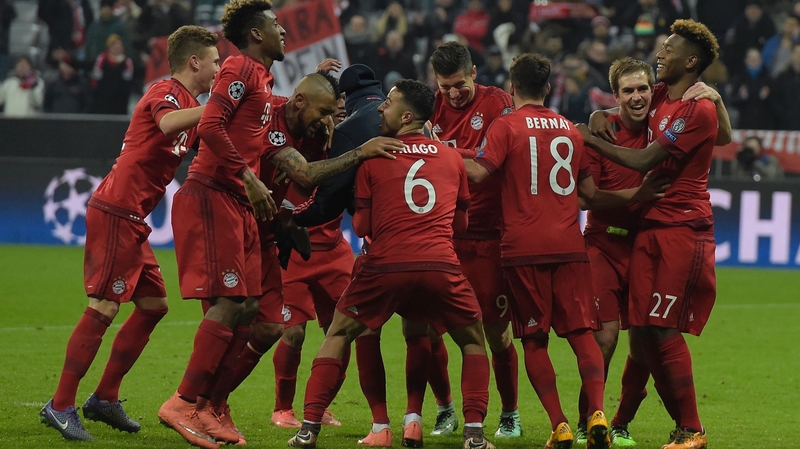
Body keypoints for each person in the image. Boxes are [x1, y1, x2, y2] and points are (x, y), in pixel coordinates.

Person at [463, 53, 670, 449]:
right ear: (546, 88)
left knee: (535, 341)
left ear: (511, 87)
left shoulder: (505, 126)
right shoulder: (570, 130)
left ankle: (559, 424)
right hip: (571, 246)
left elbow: (477, 172)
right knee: (582, 336)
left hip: (522, 249)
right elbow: (589, 195)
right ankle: (595, 411)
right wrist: (637, 192)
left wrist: (437, 152)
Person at [287, 78, 496, 449]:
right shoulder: (453, 159)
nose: (381, 109)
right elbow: (460, 225)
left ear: (407, 116)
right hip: (439, 265)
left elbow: (363, 227)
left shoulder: (373, 159)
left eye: (389, 103)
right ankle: (472, 435)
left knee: (340, 334)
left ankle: (310, 429)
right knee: (472, 342)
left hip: (384, 265)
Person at [38, 25, 220, 441]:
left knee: (154, 305)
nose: (217, 71)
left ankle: (104, 398)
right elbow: (171, 122)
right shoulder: (167, 93)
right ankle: (61, 404)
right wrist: (220, 107)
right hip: (116, 210)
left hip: (134, 218)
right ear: (194, 62)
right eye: (213, 63)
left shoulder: (194, 104)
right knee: (103, 307)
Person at [209, 71, 401, 442]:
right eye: (329, 110)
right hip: (294, 248)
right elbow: (294, 137)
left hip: (332, 249)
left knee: (344, 330)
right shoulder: (302, 137)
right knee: (291, 332)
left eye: (339, 111)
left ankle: (320, 402)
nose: (333, 118)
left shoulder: (335, 137)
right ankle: (282, 407)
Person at [579, 19, 724, 449]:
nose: (660, 54)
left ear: (691, 61)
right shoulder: (662, 95)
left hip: (682, 225)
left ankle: (691, 428)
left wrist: (588, 137)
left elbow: (646, 161)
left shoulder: (697, 108)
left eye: (669, 49)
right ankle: (618, 423)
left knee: (661, 329)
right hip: (650, 230)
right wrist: (596, 116)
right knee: (641, 331)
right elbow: (621, 104)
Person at [157, 1, 284, 447]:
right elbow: (211, 124)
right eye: (275, 24)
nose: (283, 30)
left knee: (249, 309)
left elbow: (254, 121)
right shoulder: (239, 67)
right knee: (230, 304)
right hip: (213, 193)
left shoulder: (263, 79)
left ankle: (209, 405)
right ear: (255, 34)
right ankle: (183, 402)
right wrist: (249, 176)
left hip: (235, 201)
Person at [424, 40, 521, 440]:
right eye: (446, 86)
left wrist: (446, 150)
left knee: (497, 333)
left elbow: (494, 159)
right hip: (445, 235)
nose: (453, 93)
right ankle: (445, 408)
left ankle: (510, 413)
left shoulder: (498, 103)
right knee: (430, 330)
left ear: (474, 73)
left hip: (489, 234)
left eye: (459, 84)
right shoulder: (432, 105)